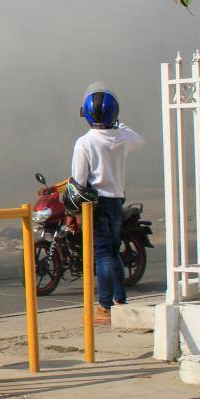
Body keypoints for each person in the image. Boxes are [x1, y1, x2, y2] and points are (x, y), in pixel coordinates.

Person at [70, 82, 144, 325]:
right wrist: (119, 122)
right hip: (116, 200)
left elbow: (79, 181)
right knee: (113, 251)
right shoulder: (123, 138)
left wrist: (74, 211)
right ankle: (119, 300)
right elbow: (138, 140)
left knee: (103, 255)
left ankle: (104, 306)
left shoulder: (85, 142)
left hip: (96, 204)